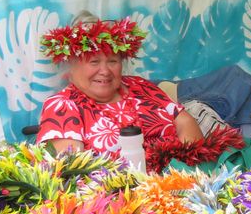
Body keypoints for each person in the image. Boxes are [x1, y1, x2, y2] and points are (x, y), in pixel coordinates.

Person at [36, 14, 202, 160]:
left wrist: (184, 169)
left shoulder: (140, 86)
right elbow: (72, 169)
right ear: (71, 67)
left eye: (113, 61)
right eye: (94, 62)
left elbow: (185, 122)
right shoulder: (62, 105)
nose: (105, 71)